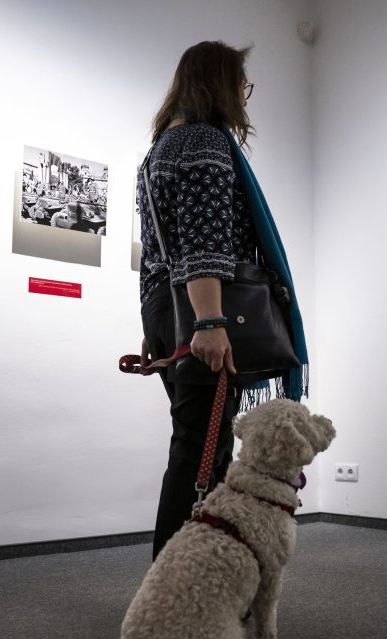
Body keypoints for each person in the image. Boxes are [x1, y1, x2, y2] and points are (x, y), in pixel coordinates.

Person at [137, 41, 307, 560]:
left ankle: (188, 580)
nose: (244, 96)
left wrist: (157, 328)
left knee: (195, 445)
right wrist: (209, 321)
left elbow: (154, 256)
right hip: (205, 311)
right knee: (201, 456)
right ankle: (177, 582)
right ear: (219, 85)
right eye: (241, 85)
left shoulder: (157, 151)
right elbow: (203, 243)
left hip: (170, 309)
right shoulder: (204, 142)